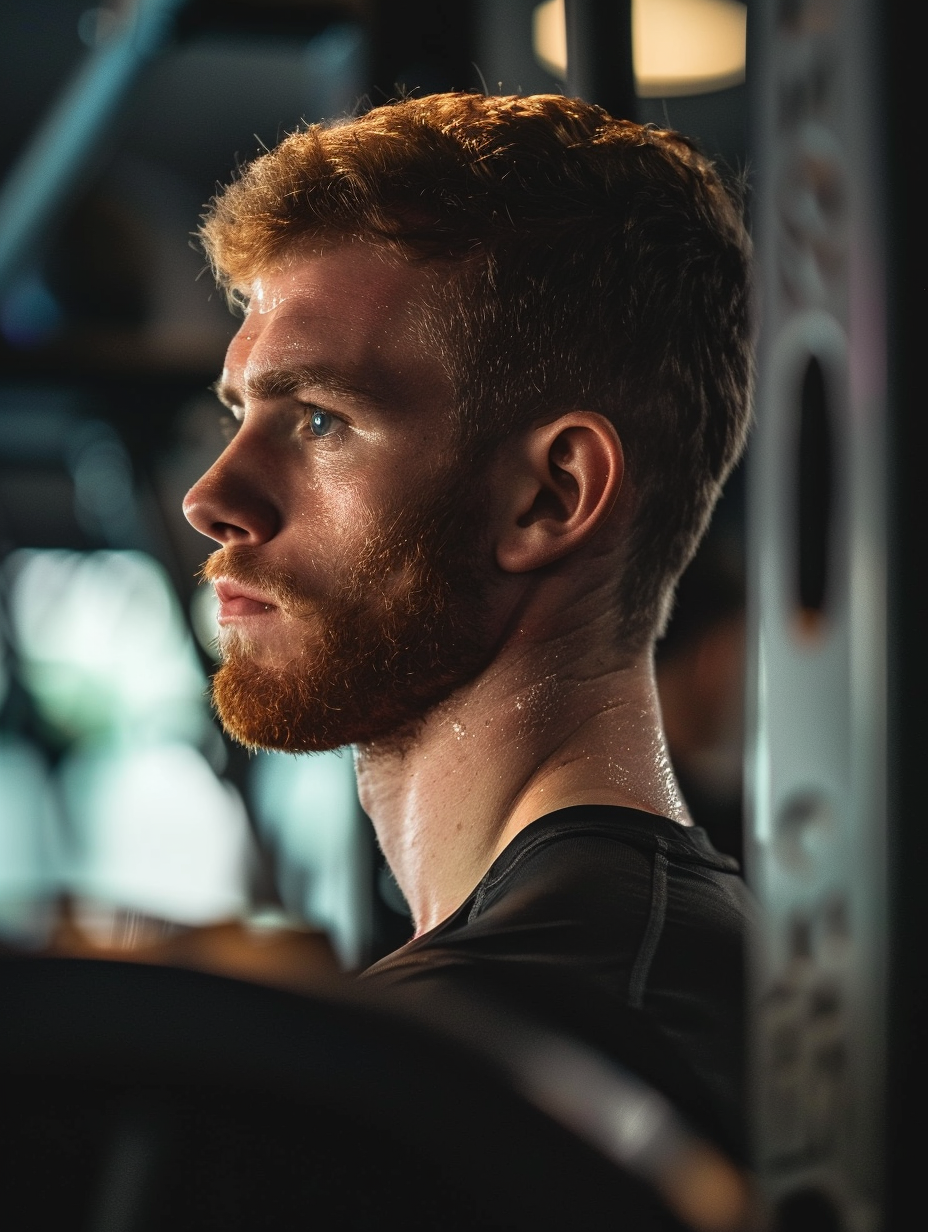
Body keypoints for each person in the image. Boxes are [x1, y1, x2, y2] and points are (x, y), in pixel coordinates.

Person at [182, 93, 754, 1152]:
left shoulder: (496, 1057)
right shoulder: (621, 975)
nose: (213, 495)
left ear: (550, 494)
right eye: (238, 413)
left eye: (319, 418)